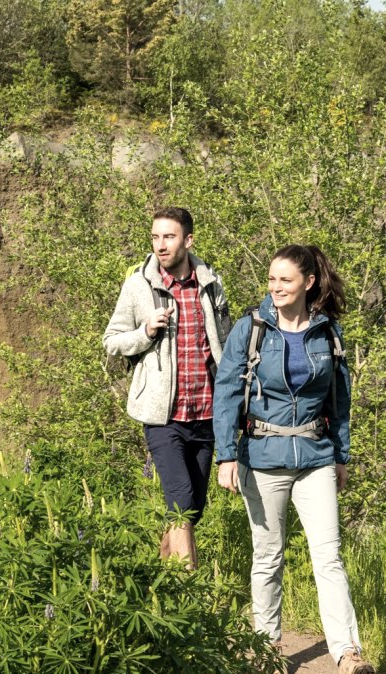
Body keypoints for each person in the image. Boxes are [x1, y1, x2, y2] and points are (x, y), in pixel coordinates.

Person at [213, 244, 375, 674]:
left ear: (309, 283)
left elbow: (340, 401)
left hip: (316, 457)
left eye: (285, 280)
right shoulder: (252, 329)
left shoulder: (328, 333)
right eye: (271, 279)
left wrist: (341, 455)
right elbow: (226, 393)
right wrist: (226, 456)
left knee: (329, 555)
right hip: (261, 457)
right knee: (268, 557)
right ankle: (267, 649)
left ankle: (346, 653)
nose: (276, 287)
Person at [102, 206, 231, 568]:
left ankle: (159, 571)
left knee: (192, 509)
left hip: (206, 412)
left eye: (169, 237)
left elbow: (227, 343)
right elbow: (112, 340)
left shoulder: (211, 284)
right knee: (179, 498)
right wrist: (145, 332)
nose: (160, 245)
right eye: (156, 236)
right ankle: (191, 588)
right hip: (162, 415)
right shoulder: (138, 285)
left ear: (188, 241)